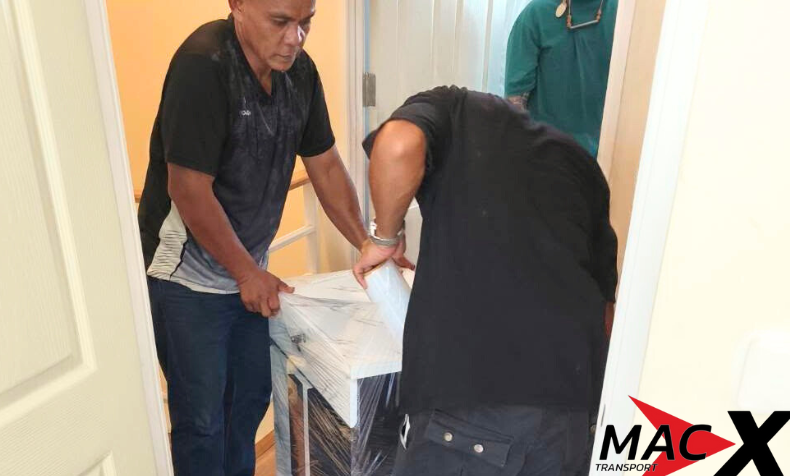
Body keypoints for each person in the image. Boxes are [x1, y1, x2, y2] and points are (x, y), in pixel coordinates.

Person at [137, 1, 411, 474]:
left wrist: (368, 242)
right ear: (238, 5)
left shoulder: (299, 73)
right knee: (202, 422)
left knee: (247, 402)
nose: (295, 38)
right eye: (281, 22)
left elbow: (325, 166)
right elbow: (188, 189)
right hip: (185, 281)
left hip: (248, 272)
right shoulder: (203, 66)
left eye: (306, 23)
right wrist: (247, 273)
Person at [353, 86, 617, 475]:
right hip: (569, 421)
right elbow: (606, 314)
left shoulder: (453, 108)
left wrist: (384, 238)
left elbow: (398, 146)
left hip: (469, 420)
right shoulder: (580, 162)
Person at [505, 0, 618, 157]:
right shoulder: (537, 14)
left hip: (610, 156)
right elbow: (515, 102)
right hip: (545, 154)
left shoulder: (627, 14)